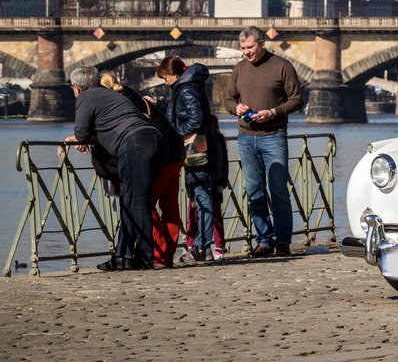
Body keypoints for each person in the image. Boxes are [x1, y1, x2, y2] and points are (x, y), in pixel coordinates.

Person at [65, 65, 167, 271]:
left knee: (137, 202)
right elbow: (110, 122)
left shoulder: (86, 97)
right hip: (155, 140)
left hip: (135, 143)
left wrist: (79, 139)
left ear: (76, 88)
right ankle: (123, 256)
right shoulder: (111, 95)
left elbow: (82, 133)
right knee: (130, 201)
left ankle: (145, 257)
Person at [223, 26, 304, 257]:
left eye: (250, 48)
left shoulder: (282, 66)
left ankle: (283, 241)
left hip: (274, 136)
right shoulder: (239, 69)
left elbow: (297, 100)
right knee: (253, 190)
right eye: (243, 49)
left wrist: (273, 112)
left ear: (261, 43)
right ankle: (263, 241)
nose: (246, 52)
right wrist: (235, 108)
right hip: (246, 137)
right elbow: (229, 100)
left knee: (278, 190)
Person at [99, 71, 184, 269]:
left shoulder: (115, 102)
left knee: (142, 203)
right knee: (169, 207)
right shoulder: (130, 94)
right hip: (176, 150)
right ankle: (166, 255)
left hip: (160, 154)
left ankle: (158, 254)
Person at [158, 56, 227, 262]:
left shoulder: (187, 89)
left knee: (203, 200)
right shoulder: (187, 87)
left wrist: (175, 134)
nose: (165, 81)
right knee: (201, 199)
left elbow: (195, 120)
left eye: (166, 77)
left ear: (175, 74)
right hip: (200, 149)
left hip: (197, 151)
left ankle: (200, 247)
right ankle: (202, 247)